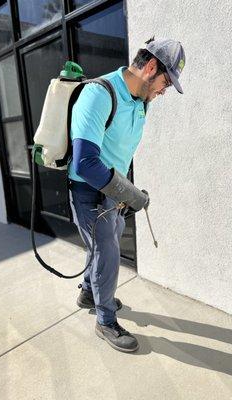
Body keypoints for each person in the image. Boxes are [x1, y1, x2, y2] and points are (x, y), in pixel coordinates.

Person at [67, 37, 185, 352]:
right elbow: (86, 162)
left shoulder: (139, 102)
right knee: (107, 252)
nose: (164, 91)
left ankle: (89, 293)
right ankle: (105, 321)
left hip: (112, 193)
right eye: (166, 82)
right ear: (150, 68)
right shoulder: (98, 94)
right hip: (88, 191)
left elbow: (120, 153)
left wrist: (124, 193)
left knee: (107, 243)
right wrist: (130, 194)